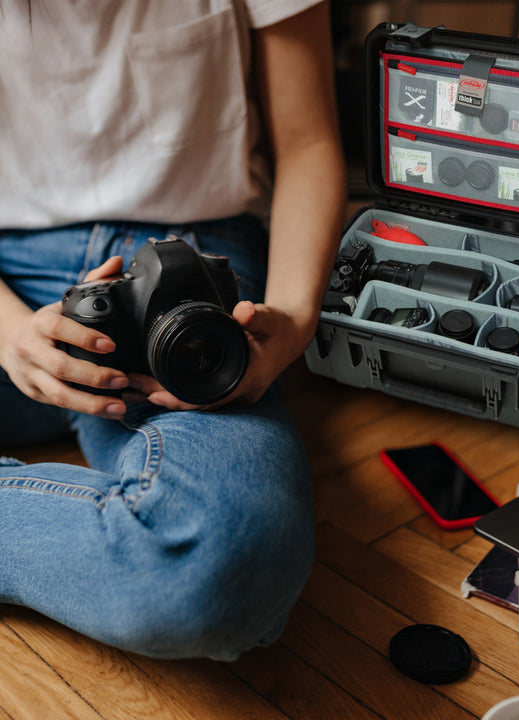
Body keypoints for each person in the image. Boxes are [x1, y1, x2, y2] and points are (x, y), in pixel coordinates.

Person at [0, 0, 346, 660]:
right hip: (6, 274)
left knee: (214, 570)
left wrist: (295, 320)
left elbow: (309, 141)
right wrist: (10, 333)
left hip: (195, 265)